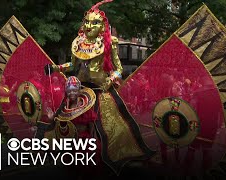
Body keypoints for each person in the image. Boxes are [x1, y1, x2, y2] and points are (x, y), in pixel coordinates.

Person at [44, 0, 154, 174]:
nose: (89, 26)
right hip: (81, 91)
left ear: (102, 26)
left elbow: (119, 69)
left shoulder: (110, 43)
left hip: (102, 92)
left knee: (110, 128)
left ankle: (109, 161)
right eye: (87, 21)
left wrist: (110, 80)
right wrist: (55, 68)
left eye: (94, 22)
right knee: (66, 124)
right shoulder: (78, 43)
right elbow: (72, 65)